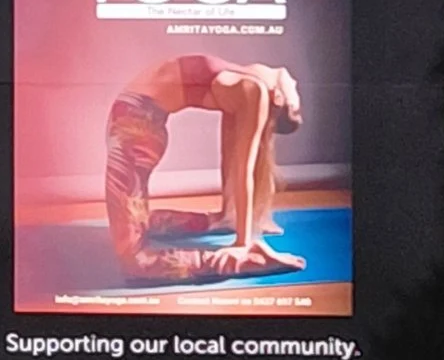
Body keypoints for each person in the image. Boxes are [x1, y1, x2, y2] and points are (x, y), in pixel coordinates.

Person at [105, 56, 305, 283]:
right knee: (139, 237)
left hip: (133, 125)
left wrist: (242, 243)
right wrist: (236, 224)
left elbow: (241, 167)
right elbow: (234, 159)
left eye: (296, 108)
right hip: (133, 124)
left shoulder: (252, 87)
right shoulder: (250, 81)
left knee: (135, 260)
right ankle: (224, 228)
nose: (296, 86)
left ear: (278, 101)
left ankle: (239, 259)